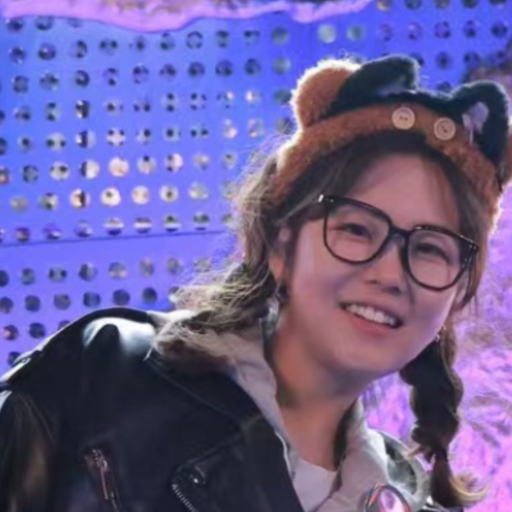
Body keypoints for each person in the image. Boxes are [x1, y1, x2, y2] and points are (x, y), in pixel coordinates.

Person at [1, 54, 511, 512]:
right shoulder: (103, 373)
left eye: (430, 249)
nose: (390, 273)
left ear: (457, 294)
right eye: (357, 230)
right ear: (279, 245)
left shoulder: (407, 501)